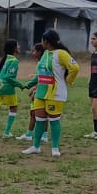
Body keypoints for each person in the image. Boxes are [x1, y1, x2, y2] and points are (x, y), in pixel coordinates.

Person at [24, 28, 78, 159]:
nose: (41, 42)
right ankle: (35, 146)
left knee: (54, 120)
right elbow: (40, 74)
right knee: (39, 120)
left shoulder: (61, 54)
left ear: (47, 41)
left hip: (55, 93)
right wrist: (30, 85)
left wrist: (68, 80)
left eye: (42, 40)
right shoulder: (45, 54)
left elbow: (75, 67)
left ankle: (55, 149)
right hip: (41, 93)